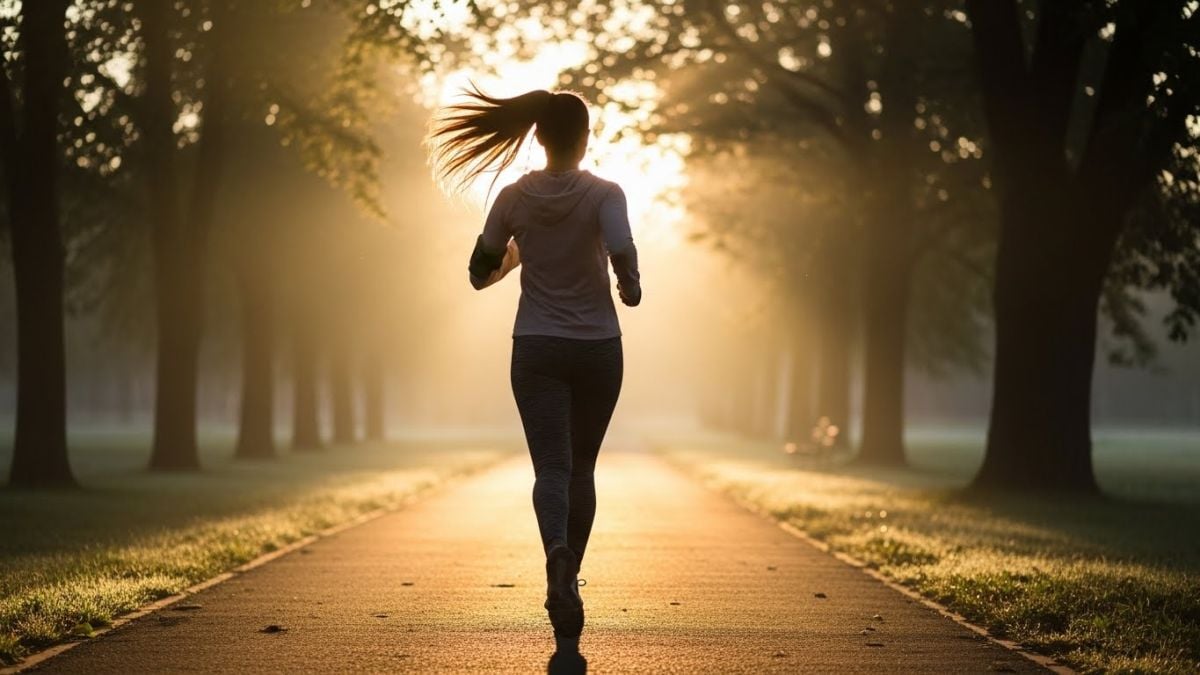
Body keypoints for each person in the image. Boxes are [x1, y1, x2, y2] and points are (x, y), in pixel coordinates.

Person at [426, 87, 641, 649]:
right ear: (586, 138)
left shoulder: (512, 197)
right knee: (582, 469)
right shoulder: (606, 193)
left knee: (550, 467)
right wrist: (630, 283)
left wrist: (518, 255)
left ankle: (555, 554)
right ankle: (570, 575)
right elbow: (621, 245)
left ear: (538, 137)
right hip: (598, 346)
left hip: (537, 346)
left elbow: (479, 272)